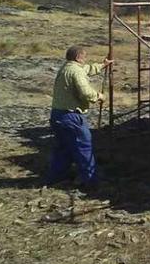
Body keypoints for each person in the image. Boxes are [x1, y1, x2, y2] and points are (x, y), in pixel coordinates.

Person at [47, 45, 112, 190]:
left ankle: (56, 176)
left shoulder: (67, 68)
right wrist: (98, 96)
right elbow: (85, 92)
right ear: (78, 57)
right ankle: (90, 181)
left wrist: (102, 65)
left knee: (63, 148)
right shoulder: (76, 71)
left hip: (57, 114)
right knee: (83, 147)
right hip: (71, 116)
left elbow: (86, 69)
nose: (85, 59)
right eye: (84, 57)